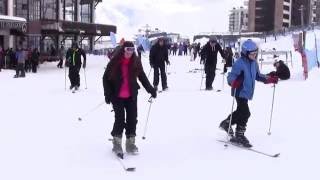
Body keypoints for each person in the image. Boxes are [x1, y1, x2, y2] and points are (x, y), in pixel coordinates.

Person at [219, 39, 279, 148]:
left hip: (247, 92)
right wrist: (234, 82)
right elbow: (230, 77)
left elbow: (258, 76)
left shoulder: (254, 63)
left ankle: (227, 123)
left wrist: (269, 79)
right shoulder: (239, 63)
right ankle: (239, 134)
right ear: (245, 53)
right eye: (252, 54)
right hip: (239, 91)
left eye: (256, 54)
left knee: (241, 111)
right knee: (246, 113)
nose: (254, 56)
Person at [103, 41, 157, 157]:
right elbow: (105, 78)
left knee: (132, 119)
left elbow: (142, 77)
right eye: (128, 50)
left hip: (131, 95)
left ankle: (130, 143)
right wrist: (107, 94)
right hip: (117, 96)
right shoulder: (115, 61)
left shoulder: (136, 62)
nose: (129, 53)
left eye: (132, 50)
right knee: (120, 119)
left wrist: (151, 89)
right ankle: (117, 142)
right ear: (123, 50)